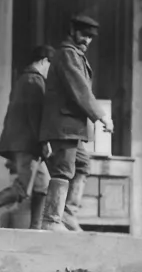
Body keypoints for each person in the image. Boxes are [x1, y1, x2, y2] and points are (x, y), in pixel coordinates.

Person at [39, 15, 114, 232]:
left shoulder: (76, 55)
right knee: (63, 169)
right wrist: (102, 116)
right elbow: (80, 88)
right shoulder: (67, 54)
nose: (87, 40)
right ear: (72, 30)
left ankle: (67, 215)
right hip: (64, 126)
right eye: (84, 34)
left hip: (73, 127)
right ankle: (52, 220)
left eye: (91, 37)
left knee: (82, 165)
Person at [0, 45, 54, 229]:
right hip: (28, 144)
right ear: (43, 61)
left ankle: (36, 228)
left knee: (43, 186)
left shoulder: (25, 79)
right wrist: (44, 142)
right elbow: (35, 117)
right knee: (23, 187)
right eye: (50, 66)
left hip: (23, 143)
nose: (50, 71)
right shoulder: (34, 81)